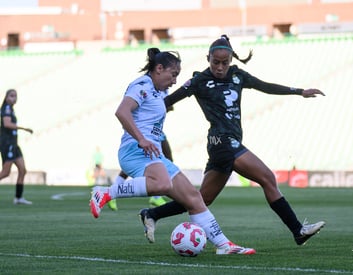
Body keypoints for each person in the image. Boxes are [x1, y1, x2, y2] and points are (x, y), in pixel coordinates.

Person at [138, 35, 326, 246]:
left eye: (224, 63)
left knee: (201, 200)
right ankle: (297, 230)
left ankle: (152, 214)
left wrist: (300, 92)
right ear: (208, 58)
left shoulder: (238, 75)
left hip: (227, 143)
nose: (219, 67)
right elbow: (169, 100)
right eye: (215, 62)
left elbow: (266, 86)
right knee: (267, 178)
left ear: (230, 61)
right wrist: (140, 115)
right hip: (222, 141)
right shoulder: (199, 80)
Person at [89, 47, 256, 255]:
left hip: (153, 154)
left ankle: (224, 245)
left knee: (193, 198)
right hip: (135, 150)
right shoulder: (142, 85)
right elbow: (121, 112)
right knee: (162, 183)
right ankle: (105, 193)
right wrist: (141, 139)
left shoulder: (157, 91)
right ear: (159, 68)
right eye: (173, 74)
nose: (175, 80)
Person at [0, 89, 33, 205]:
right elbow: (7, 124)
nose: (14, 98)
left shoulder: (11, 109)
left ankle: (18, 198)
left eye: (15, 96)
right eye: (12, 96)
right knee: (5, 173)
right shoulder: (6, 109)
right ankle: (18, 198)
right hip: (7, 144)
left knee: (22, 170)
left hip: (14, 144)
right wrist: (23, 128)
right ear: (7, 97)